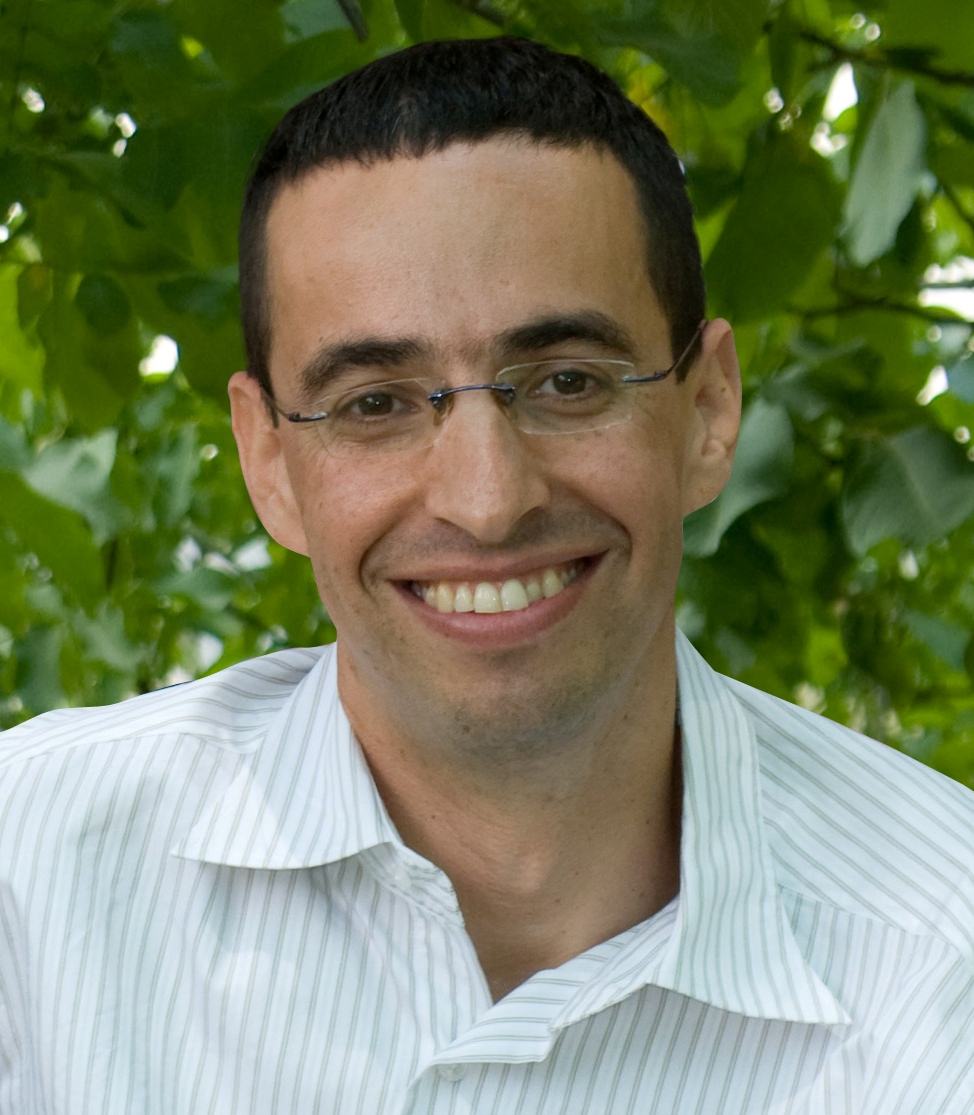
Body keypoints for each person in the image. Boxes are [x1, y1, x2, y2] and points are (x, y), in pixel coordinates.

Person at [1, 36, 973, 1115]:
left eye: (566, 382)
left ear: (706, 411)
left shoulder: (947, 965)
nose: (486, 499)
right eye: (375, 402)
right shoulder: (29, 882)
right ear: (268, 461)